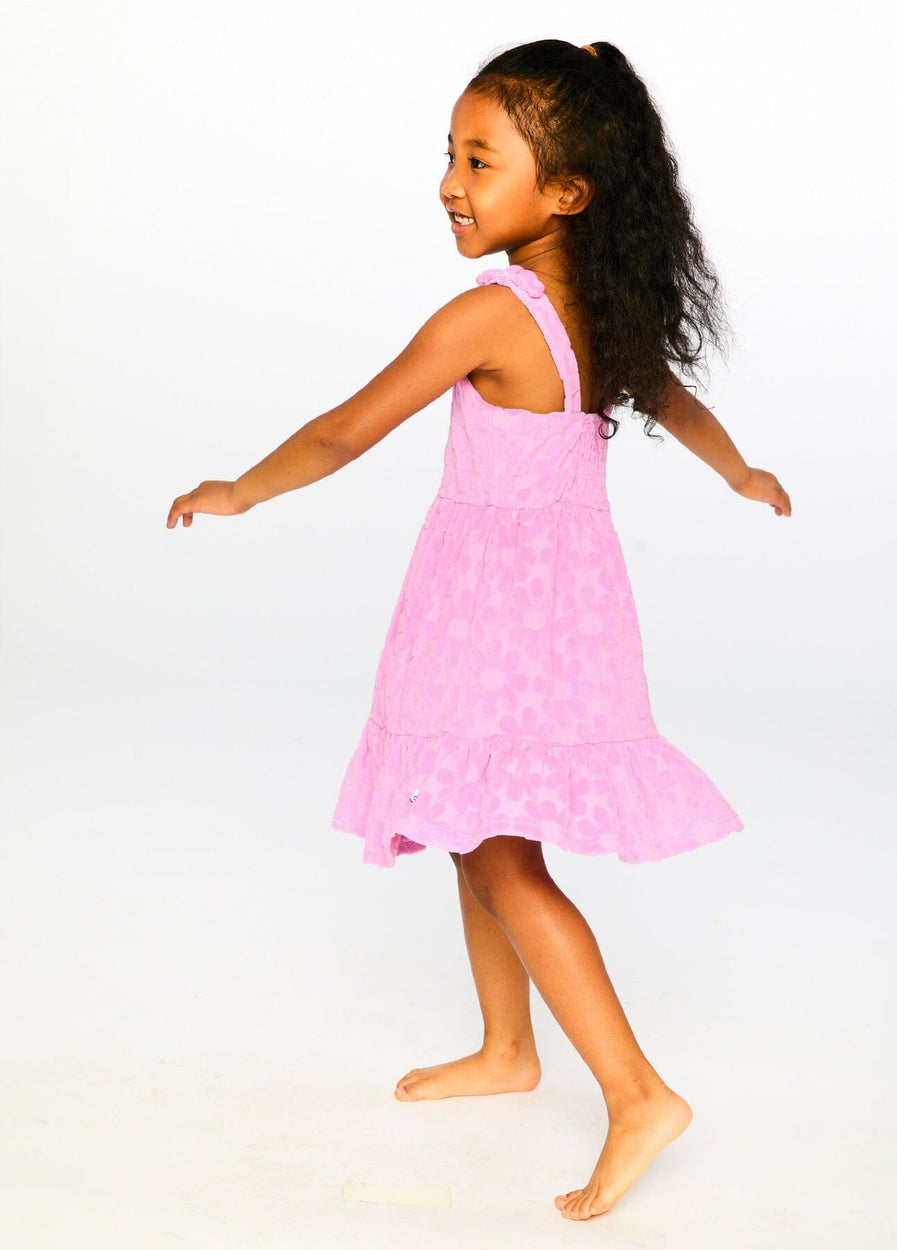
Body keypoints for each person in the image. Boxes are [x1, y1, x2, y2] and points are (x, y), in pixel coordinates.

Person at [166, 38, 791, 1222]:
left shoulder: (490, 315)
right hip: (560, 612)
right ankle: (509, 1047)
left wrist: (241, 488)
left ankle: (639, 1091)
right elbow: (674, 400)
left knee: (501, 854)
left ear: (568, 192)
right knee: (473, 820)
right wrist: (739, 470)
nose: (450, 184)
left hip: (488, 611)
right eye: (449, 156)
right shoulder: (597, 307)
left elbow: (348, 429)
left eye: (478, 160)